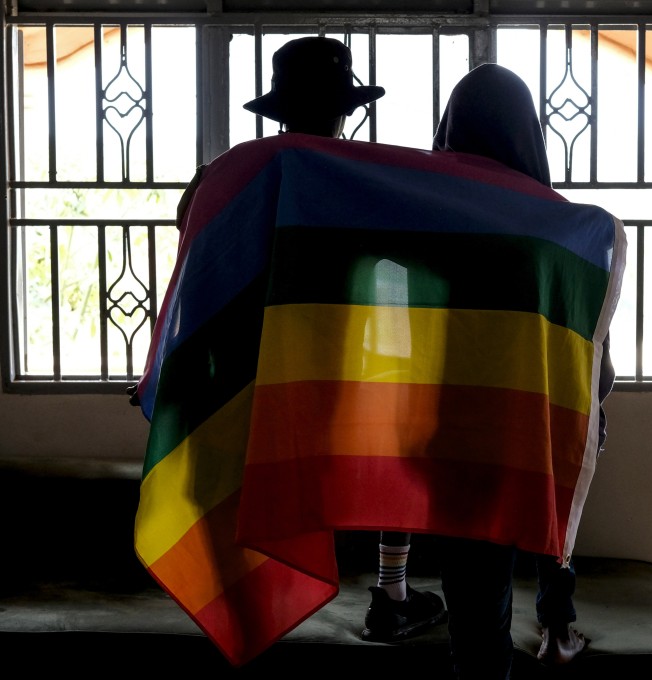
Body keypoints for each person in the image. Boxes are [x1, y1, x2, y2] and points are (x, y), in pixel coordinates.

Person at [131, 35, 447, 643]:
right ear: (347, 110)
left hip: (235, 369)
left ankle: (245, 607)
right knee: (395, 453)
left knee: (227, 474)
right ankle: (391, 594)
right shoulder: (360, 176)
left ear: (277, 111)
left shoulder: (225, 174)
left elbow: (191, 251)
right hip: (333, 372)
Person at [430, 62, 616, 678]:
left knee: (477, 622)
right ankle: (559, 628)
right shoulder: (556, 227)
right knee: (555, 497)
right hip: (535, 432)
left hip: (455, 441)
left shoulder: (427, 221)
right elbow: (599, 373)